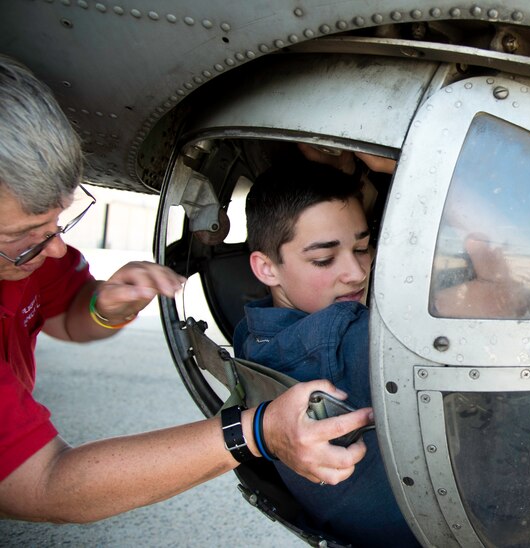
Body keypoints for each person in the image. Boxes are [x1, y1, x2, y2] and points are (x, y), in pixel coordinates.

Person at [0, 54, 373, 523]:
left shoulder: (30, 257)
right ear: (265, 267)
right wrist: (256, 431)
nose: (55, 250)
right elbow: (46, 485)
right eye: (23, 238)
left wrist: (101, 308)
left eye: (57, 224)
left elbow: (62, 317)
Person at [233, 160, 419, 547]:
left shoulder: (251, 332)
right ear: (267, 268)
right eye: (324, 259)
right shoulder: (350, 340)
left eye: (363, 247)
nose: (356, 272)